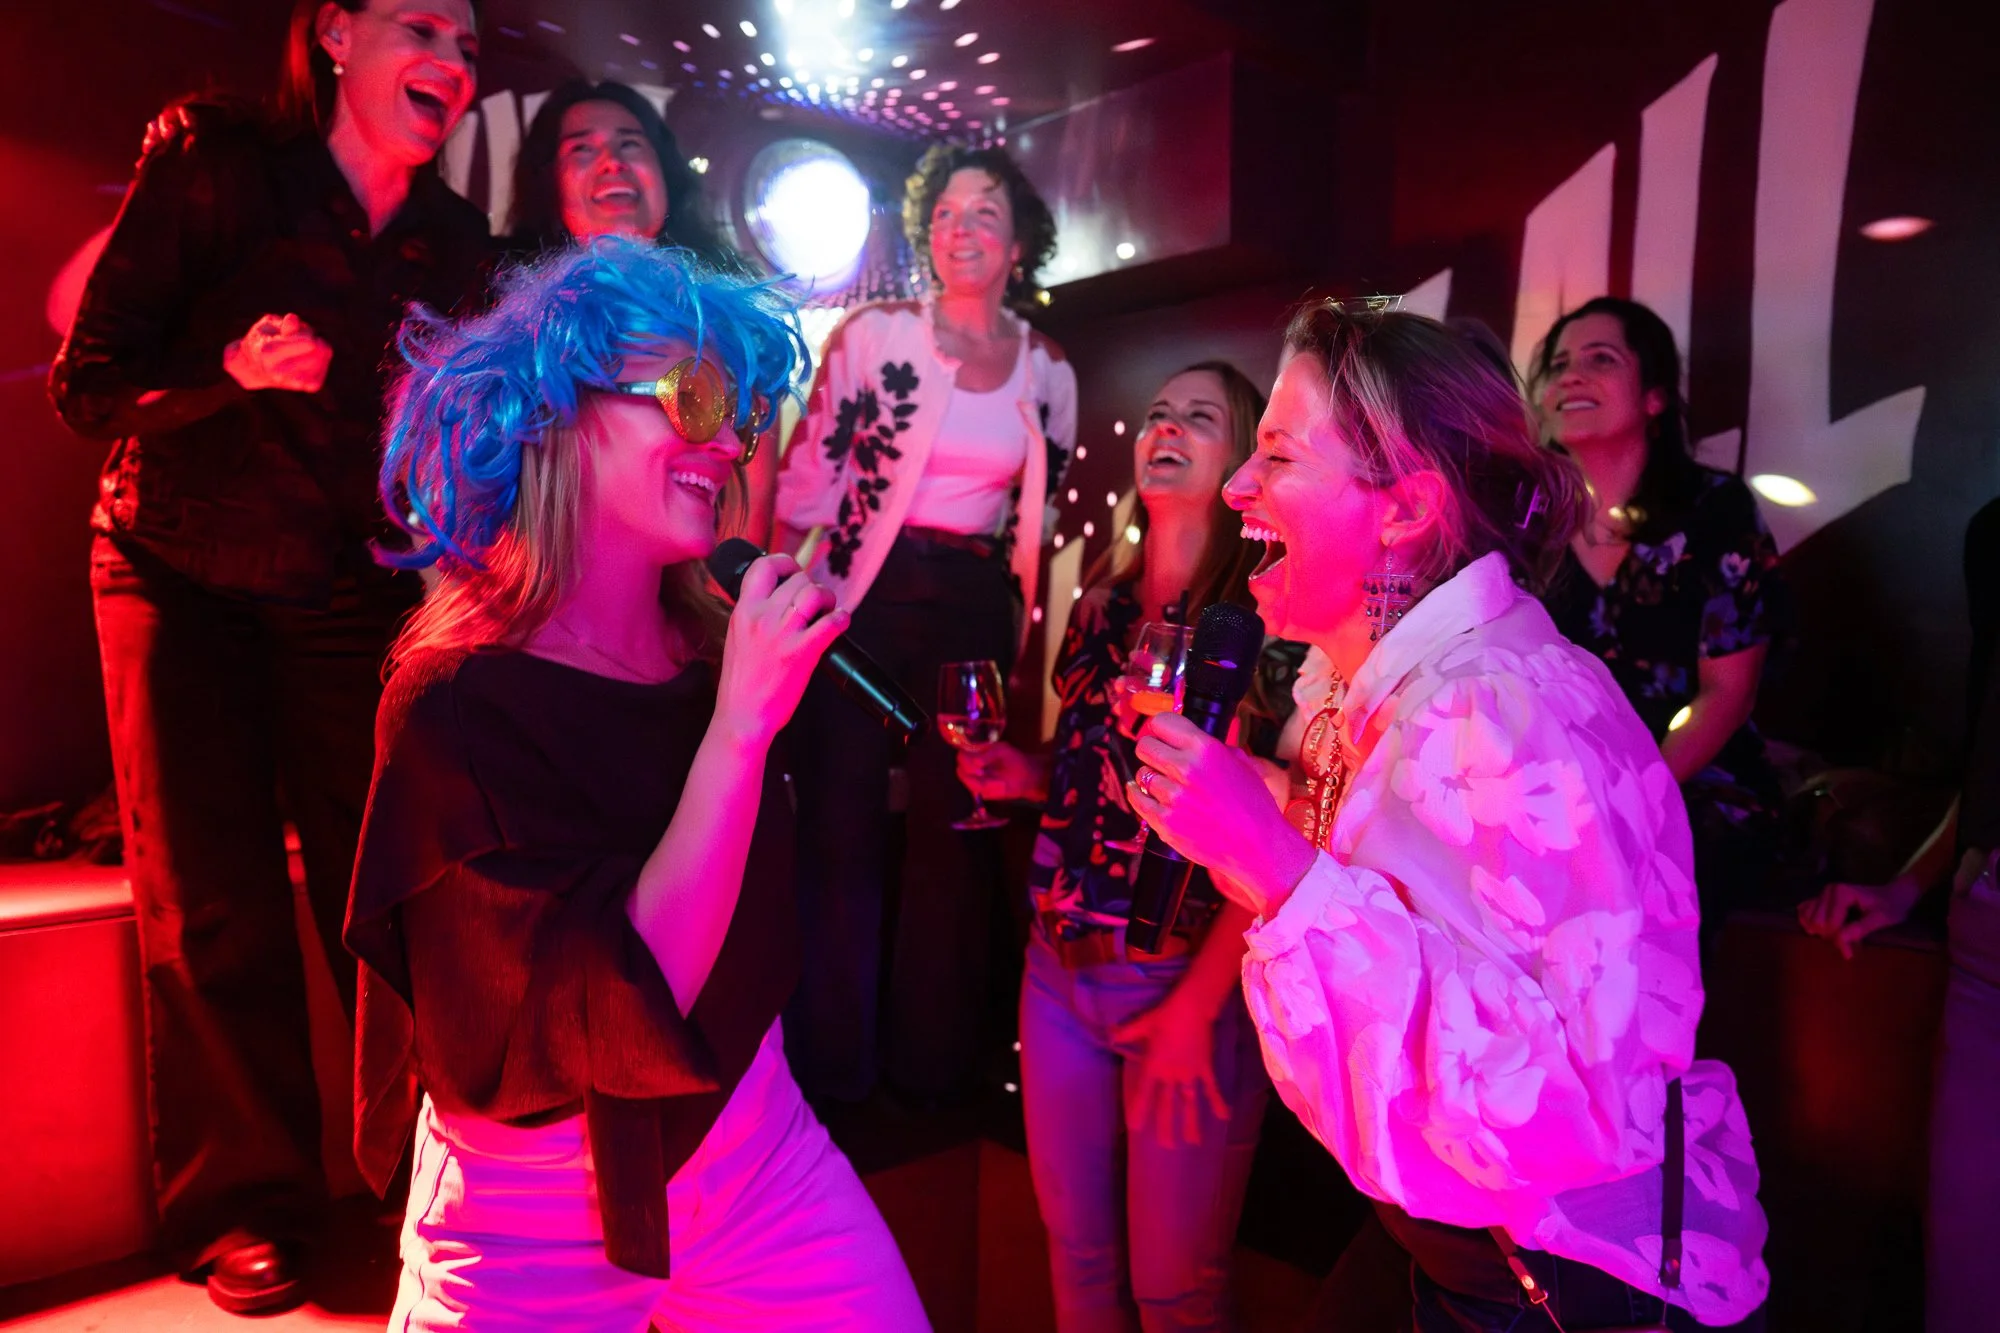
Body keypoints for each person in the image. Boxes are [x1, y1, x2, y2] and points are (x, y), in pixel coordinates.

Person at [1128, 301, 1770, 1330]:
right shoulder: (1382, 689)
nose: (1238, 487)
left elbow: (1575, 1106)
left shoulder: (1502, 708)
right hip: (1454, 1239)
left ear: (1402, 510)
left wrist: (1278, 870)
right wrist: (1268, 817)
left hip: (1567, 1277)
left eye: (1277, 455)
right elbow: (1439, 910)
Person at [346, 237, 928, 1331]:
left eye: (741, 410)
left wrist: (744, 710)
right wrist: (742, 732)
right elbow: (625, 999)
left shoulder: (711, 662)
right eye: (691, 394)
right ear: (554, 412)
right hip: (531, 1191)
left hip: (744, 1143)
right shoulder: (456, 705)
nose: (727, 441)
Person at [45, 0, 487, 1312]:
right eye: (422, 26)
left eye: (469, 46)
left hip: (338, 586)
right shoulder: (219, 163)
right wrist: (225, 369)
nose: (452, 65)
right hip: (168, 567)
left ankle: (426, 1184)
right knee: (208, 895)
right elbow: (88, 384)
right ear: (337, 35)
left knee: (384, 897)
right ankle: (247, 1211)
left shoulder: (447, 243)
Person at [956, 363, 1275, 1331]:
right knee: (1078, 1266)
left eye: (1199, 418)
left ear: (1243, 460)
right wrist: (1024, 769)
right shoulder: (1098, 606)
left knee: (1175, 1289)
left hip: (1183, 981)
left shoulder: (1260, 625)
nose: (1165, 428)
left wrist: (1194, 1008)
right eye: (1154, 415)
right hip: (1055, 971)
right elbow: (1088, 758)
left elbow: (1285, 830)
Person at [773, 143, 1076, 1104]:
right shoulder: (874, 335)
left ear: (1019, 241)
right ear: (926, 234)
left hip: (976, 602)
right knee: (841, 827)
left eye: (985, 211)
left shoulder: (1049, 367)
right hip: (867, 592)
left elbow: (1040, 515)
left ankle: (933, 1072)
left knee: (959, 826)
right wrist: (771, 593)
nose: (963, 227)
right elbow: (806, 480)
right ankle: (831, 1077)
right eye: (945, 213)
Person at [1798, 495, 2000, 1333]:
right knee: (1964, 1286)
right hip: (1986, 945)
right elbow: (1992, 764)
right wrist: (1911, 885)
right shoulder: (1994, 533)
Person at [1530, 297, 1786, 945]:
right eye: (1558, 365)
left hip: (1691, 786)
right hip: (1556, 792)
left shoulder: (1716, 509)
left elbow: (1728, 692)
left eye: (1600, 359)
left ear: (1653, 398)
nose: (1570, 377)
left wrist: (1630, 802)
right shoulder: (1529, 527)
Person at [505, 79, 782, 546]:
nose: (612, 162)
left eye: (630, 144)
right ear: (548, 181)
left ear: (665, 172)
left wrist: (722, 614)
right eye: (582, 150)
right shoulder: (512, 329)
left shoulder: (734, 332)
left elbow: (743, 514)